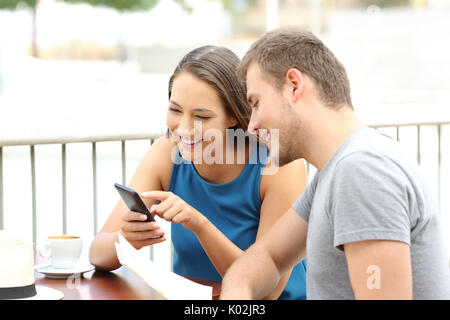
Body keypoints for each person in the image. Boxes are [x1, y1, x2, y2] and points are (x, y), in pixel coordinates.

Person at [220, 27, 450, 300]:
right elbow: (265, 258)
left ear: (294, 85)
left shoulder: (361, 171)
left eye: (256, 103)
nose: (252, 125)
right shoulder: (333, 173)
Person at [89, 45, 308, 300]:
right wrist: (126, 238)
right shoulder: (167, 154)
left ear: (233, 117)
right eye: (175, 110)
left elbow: (266, 293)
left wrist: (200, 224)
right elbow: (97, 254)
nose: (183, 129)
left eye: (201, 116)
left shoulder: (279, 165)